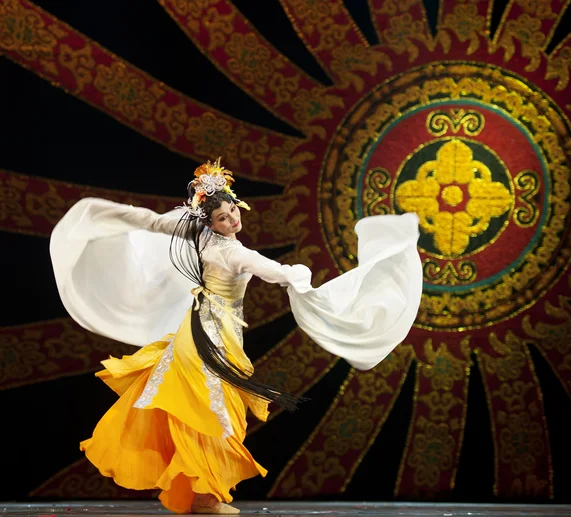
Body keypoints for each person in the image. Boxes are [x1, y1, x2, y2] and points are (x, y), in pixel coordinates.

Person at [50, 159, 423, 514]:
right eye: (222, 217)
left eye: (233, 212)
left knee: (203, 408)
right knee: (213, 410)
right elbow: (269, 269)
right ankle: (207, 496)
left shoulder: (194, 231)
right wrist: (296, 274)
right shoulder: (230, 252)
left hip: (202, 329)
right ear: (210, 222)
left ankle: (201, 492)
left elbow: (150, 221)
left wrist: (102, 213)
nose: (232, 220)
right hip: (211, 337)